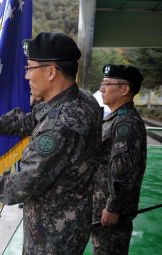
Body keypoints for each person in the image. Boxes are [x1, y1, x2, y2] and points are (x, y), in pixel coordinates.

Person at [0, 32, 102, 254]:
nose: (26, 76)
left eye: (30, 68)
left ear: (50, 72)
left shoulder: (59, 127)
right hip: (70, 224)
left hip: (52, 237)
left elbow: (17, 189)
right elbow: (34, 118)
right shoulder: (82, 100)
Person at [91, 65, 146, 255]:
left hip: (112, 212)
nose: (102, 89)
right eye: (102, 84)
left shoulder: (126, 123)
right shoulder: (115, 119)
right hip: (103, 206)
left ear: (124, 90)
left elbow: (123, 169)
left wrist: (113, 207)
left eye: (107, 84)